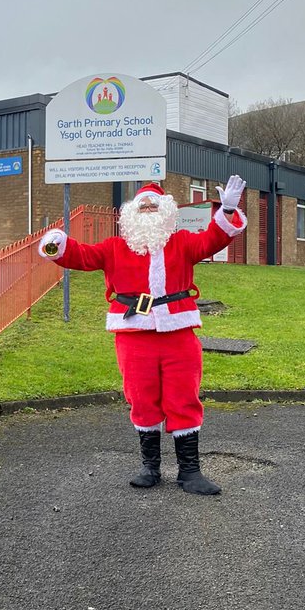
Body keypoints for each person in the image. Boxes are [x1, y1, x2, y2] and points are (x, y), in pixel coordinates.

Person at [38, 177, 247, 495]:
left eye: (154, 205)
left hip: (179, 334)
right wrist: (56, 243)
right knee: (141, 399)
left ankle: (189, 471)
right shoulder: (114, 248)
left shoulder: (183, 243)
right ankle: (150, 467)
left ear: (166, 211)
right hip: (133, 336)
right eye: (143, 206)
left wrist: (228, 209)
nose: (148, 210)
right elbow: (80, 256)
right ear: (130, 214)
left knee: (183, 398)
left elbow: (213, 240)